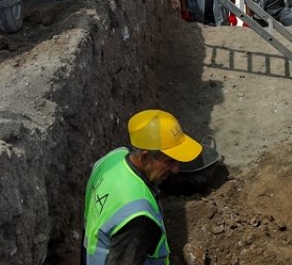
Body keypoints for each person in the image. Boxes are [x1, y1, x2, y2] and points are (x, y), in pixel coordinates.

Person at [82, 109, 202, 265]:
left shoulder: (110, 160)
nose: (176, 169)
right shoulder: (139, 218)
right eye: (169, 161)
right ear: (145, 157)